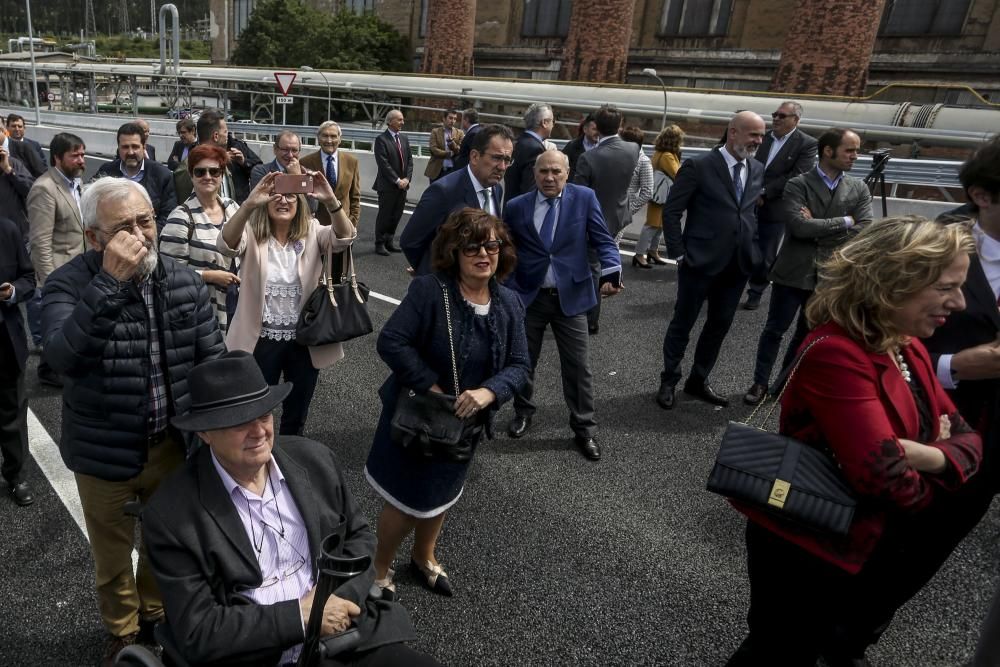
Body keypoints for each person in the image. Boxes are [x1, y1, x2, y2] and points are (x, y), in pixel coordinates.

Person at [726, 217, 983, 666]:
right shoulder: (837, 353)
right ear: (892, 282)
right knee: (778, 651)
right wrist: (941, 457)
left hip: (857, 544)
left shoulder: (904, 344)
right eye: (946, 287)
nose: (959, 302)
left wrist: (923, 454)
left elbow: (970, 438)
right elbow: (885, 480)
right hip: (809, 549)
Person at [142, 351, 441, 667]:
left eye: (264, 415)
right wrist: (302, 617)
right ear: (204, 432)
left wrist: (336, 602)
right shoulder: (171, 515)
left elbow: (360, 540)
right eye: (240, 422)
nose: (258, 431)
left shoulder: (316, 461)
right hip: (254, 652)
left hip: (340, 635)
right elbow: (199, 629)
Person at [40, 177, 225, 664]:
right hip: (104, 451)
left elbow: (212, 362)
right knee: (112, 554)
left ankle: (155, 611)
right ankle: (122, 629)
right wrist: (108, 284)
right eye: (124, 227)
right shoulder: (69, 285)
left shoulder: (182, 280)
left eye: (146, 221)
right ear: (94, 238)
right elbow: (61, 358)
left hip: (171, 446)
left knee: (168, 540)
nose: (141, 236)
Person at [365, 208, 529, 599]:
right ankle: (379, 567)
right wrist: (433, 389)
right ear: (454, 252)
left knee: (443, 494)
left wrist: (490, 391)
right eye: (471, 246)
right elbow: (392, 341)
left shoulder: (509, 302)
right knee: (404, 501)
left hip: (463, 425)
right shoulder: (429, 290)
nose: (483, 254)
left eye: (491, 245)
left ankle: (424, 557)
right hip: (417, 417)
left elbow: (520, 364)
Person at [503, 151, 622, 461]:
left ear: (567, 174)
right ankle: (523, 412)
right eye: (543, 171)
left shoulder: (584, 198)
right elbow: (504, 250)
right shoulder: (516, 207)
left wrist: (612, 271)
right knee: (523, 362)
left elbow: (603, 240)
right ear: (534, 173)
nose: (549, 177)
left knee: (578, 367)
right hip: (528, 297)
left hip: (571, 298)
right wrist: (503, 288)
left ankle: (584, 429)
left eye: (556, 171)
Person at [218, 170, 355, 437]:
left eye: (291, 196)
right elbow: (225, 245)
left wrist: (330, 201)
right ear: (266, 201)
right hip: (260, 340)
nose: (283, 201)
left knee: (296, 413)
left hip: (303, 340)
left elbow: (345, 237)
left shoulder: (313, 232)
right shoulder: (252, 234)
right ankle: (258, 460)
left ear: (300, 202)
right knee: (256, 410)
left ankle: (291, 463)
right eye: (276, 195)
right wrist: (248, 204)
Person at [743, 128, 871, 406]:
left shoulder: (858, 188)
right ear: (828, 151)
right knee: (774, 330)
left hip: (829, 275)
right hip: (793, 270)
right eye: (850, 150)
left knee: (806, 334)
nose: (855, 156)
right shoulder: (799, 184)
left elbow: (865, 230)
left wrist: (823, 225)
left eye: (856, 150)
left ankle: (783, 382)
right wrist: (845, 221)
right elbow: (799, 227)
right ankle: (760, 382)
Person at [656, 111, 766, 410]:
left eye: (761, 135)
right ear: (733, 133)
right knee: (683, 323)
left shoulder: (756, 169)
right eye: (752, 134)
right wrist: (678, 253)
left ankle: (698, 380)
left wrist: (754, 250)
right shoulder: (700, 165)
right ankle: (669, 380)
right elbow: (672, 211)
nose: (758, 141)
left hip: (738, 265)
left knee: (719, 325)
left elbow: (750, 213)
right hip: (699, 262)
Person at [400, 124, 513, 275]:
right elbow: (410, 241)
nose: (502, 166)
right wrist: (431, 272)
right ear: (474, 156)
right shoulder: (444, 191)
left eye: (507, 160)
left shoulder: (496, 189)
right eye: (497, 158)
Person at [742, 101, 818, 310]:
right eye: (775, 114)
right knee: (739, 244)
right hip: (747, 202)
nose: (776, 118)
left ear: (796, 120)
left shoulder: (806, 143)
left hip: (775, 207)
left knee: (766, 252)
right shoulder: (762, 137)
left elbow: (797, 175)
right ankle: (728, 285)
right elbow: (746, 163)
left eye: (782, 116)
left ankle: (755, 291)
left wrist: (764, 191)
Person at [159, 144, 241, 333]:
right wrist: (209, 276)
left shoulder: (232, 207)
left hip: (238, 307)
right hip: (203, 313)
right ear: (191, 176)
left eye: (214, 171)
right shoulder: (181, 216)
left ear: (222, 175)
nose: (207, 177)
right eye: (200, 172)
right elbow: (167, 274)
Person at [27, 131, 88, 388]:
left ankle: (63, 364)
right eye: (75, 156)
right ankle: (47, 370)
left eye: (83, 154)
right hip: (59, 272)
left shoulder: (77, 183)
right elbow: (40, 241)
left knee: (73, 323)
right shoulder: (44, 189)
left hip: (79, 267)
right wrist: (49, 280)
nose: (81, 160)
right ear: (57, 158)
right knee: (58, 323)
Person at [573, 105, 639, 334]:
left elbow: (578, 194)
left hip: (593, 219)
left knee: (592, 266)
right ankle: (611, 285)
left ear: (596, 127)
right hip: (618, 215)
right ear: (619, 126)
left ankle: (591, 318)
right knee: (607, 255)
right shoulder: (633, 149)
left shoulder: (589, 158)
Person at [0, 215, 36, 506]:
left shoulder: (7, 229)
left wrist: (12, 291)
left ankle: (17, 474)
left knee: (13, 412)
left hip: (5, 341)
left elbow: (28, 278)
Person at [93, 122, 177, 233]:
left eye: (135, 147)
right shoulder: (106, 172)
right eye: (125, 147)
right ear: (118, 148)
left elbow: (168, 215)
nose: (130, 152)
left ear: (144, 147)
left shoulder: (163, 176)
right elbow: (91, 203)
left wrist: (146, 238)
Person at [634, 124, 683, 268]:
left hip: (661, 194)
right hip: (661, 195)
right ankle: (639, 254)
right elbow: (677, 173)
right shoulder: (667, 156)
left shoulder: (659, 152)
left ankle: (652, 252)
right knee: (652, 226)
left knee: (659, 225)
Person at [300, 121, 362, 229]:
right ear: (318, 138)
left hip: (344, 224)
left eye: (333, 136)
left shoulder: (351, 162)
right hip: (316, 227)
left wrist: (353, 222)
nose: (329, 140)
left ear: (339, 139)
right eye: (325, 136)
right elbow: (301, 198)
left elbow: (355, 196)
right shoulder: (305, 163)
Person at [372, 109, 412, 256]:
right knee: (385, 214)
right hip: (388, 185)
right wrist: (397, 180)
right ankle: (379, 243)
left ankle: (389, 241)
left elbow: (410, 162)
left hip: (402, 186)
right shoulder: (381, 140)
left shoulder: (404, 139)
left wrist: (407, 179)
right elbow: (383, 164)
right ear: (390, 121)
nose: (403, 122)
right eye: (399, 119)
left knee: (396, 214)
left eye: (402, 119)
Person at [504, 102, 553, 203]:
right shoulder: (535, 149)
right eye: (552, 121)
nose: (553, 125)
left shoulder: (518, 142)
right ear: (544, 123)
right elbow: (530, 189)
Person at [620, 125, 654, 247]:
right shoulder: (620, 155)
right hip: (609, 207)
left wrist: (628, 212)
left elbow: (647, 192)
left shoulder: (643, 161)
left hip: (622, 211)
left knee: (612, 244)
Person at [424, 108, 464, 183]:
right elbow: (433, 149)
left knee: (449, 194)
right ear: (444, 119)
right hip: (436, 171)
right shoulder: (435, 132)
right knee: (434, 193)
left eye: (455, 119)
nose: (453, 121)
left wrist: (452, 144)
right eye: (450, 118)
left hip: (452, 171)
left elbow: (460, 150)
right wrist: (449, 154)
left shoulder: (459, 133)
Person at [5, 113, 46, 177]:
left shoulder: (34, 145)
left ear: (24, 128)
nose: (17, 129)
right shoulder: (3, 145)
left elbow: (43, 167)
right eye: (13, 126)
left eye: (20, 126)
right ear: (7, 127)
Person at [562, 113, 598, 180]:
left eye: (600, 130)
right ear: (585, 129)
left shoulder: (605, 147)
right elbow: (562, 167)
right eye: (594, 129)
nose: (598, 132)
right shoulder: (572, 146)